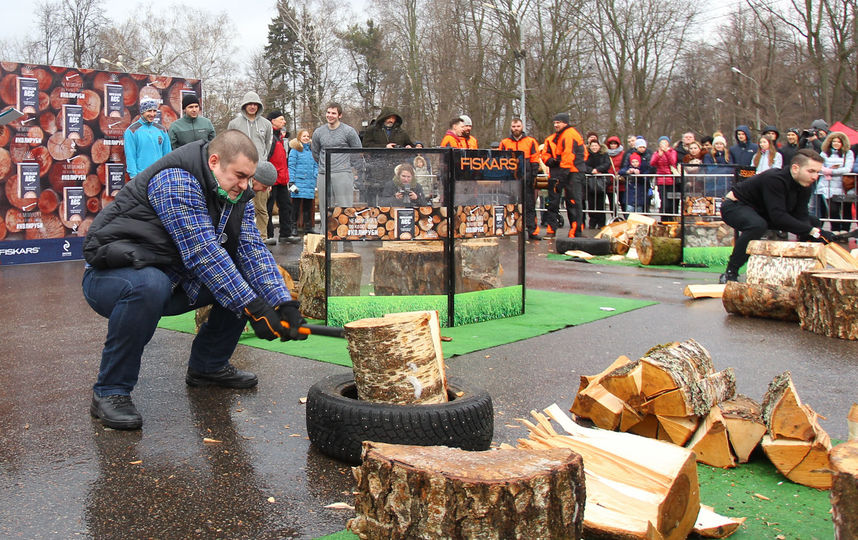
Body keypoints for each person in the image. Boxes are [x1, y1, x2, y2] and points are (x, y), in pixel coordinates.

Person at [82, 130, 307, 430]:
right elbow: (202, 252)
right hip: (112, 276)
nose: (245, 185)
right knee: (150, 285)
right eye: (240, 175)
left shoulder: (235, 192)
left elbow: (252, 250)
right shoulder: (177, 179)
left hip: (173, 277)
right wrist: (254, 306)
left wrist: (281, 302)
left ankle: (208, 367)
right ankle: (110, 391)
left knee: (241, 278)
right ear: (214, 161)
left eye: (248, 178)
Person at [719, 148, 831, 283]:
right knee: (757, 225)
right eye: (811, 171)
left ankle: (803, 271)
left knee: (813, 221)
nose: (815, 176)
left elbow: (801, 216)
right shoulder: (775, 179)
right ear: (795, 168)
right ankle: (731, 271)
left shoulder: (805, 185)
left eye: (818, 172)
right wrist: (812, 231)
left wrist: (815, 232)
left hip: (763, 211)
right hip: (735, 206)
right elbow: (778, 216)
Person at [228, 91, 274, 243]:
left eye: (255, 104)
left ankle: (261, 237)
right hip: (241, 171)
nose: (252, 107)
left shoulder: (266, 124)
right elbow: (230, 144)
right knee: (242, 206)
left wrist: (262, 163)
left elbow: (267, 145)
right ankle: (242, 236)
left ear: (259, 106)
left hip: (259, 171)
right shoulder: (235, 124)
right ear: (244, 105)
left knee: (261, 207)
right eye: (250, 104)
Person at [541, 112, 588, 237]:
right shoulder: (552, 138)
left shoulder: (569, 134)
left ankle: (576, 231)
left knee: (573, 202)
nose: (556, 125)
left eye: (558, 122)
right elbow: (545, 155)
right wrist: (551, 161)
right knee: (553, 203)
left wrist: (564, 173)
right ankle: (552, 229)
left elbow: (569, 155)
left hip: (570, 172)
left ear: (565, 122)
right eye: (555, 123)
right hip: (558, 172)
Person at [311, 102, 362, 214]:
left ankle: (344, 230)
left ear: (340, 115)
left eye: (333, 113)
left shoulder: (349, 131)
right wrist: (323, 164)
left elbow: (357, 151)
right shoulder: (318, 132)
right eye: (328, 112)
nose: (330, 115)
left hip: (342, 173)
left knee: (345, 208)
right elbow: (315, 152)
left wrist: (350, 167)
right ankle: (324, 231)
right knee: (324, 209)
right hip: (323, 173)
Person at [499, 117, 541, 239]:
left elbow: (535, 160)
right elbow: (500, 161)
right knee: (508, 205)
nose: (516, 129)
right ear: (511, 128)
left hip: (526, 179)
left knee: (529, 206)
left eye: (518, 126)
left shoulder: (531, 141)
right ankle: (506, 229)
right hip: (510, 180)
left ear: (522, 127)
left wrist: (533, 176)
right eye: (513, 126)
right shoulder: (505, 142)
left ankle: (532, 231)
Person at [361, 108, 414, 205]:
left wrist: (409, 147)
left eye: (393, 118)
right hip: (375, 170)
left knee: (392, 198)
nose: (391, 121)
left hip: (394, 170)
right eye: (389, 118)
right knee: (373, 200)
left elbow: (410, 145)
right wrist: (384, 147)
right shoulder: (372, 130)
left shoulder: (401, 132)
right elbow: (366, 146)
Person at [265, 109, 295, 243]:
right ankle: (268, 235)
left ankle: (285, 234)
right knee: (268, 208)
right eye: (281, 119)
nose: (284, 121)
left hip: (282, 179)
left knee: (286, 206)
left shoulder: (281, 137)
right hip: (271, 179)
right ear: (273, 121)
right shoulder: (269, 136)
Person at [124, 98, 171, 179]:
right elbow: (130, 156)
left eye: (154, 111)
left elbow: (168, 155)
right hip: (141, 178)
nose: (152, 114)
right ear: (142, 112)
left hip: (160, 177)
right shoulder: (131, 131)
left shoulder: (162, 130)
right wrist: (134, 177)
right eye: (149, 111)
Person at [817, 131, 855, 231]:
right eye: (834, 141)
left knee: (845, 209)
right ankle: (835, 229)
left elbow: (847, 168)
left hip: (843, 185)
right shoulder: (824, 153)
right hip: (826, 185)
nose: (836, 143)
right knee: (832, 210)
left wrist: (831, 171)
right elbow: (819, 165)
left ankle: (845, 230)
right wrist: (825, 170)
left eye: (838, 142)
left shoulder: (848, 153)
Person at [288, 129, 319, 234]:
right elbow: (291, 166)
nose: (306, 138)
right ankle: (294, 227)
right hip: (298, 182)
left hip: (309, 182)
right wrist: (291, 181)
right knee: (295, 206)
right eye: (304, 136)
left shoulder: (311, 151)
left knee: (308, 206)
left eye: (307, 136)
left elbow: (316, 165)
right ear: (299, 138)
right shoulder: (294, 151)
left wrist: (315, 176)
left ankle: (308, 227)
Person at [583, 137, 610, 229]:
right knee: (591, 203)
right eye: (592, 146)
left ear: (599, 146)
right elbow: (584, 165)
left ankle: (601, 222)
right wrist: (592, 171)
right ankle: (592, 222)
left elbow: (607, 164)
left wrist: (598, 170)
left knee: (600, 203)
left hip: (601, 181)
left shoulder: (604, 154)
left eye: (596, 145)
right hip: (590, 181)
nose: (594, 147)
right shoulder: (586, 155)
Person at [649, 136, 679, 215]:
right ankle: (663, 219)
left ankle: (672, 220)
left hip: (671, 180)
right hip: (661, 180)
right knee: (664, 202)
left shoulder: (672, 152)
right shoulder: (656, 153)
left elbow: (673, 162)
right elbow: (652, 163)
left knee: (672, 202)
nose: (663, 145)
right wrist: (659, 155)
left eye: (665, 142)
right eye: (661, 143)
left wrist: (666, 152)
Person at [604, 136, 626, 214]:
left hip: (619, 180)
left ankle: (626, 217)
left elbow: (625, 164)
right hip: (610, 181)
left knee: (623, 202)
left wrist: (620, 173)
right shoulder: (606, 154)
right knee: (612, 202)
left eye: (615, 144)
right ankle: (614, 217)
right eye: (611, 144)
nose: (613, 145)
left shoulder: (623, 154)